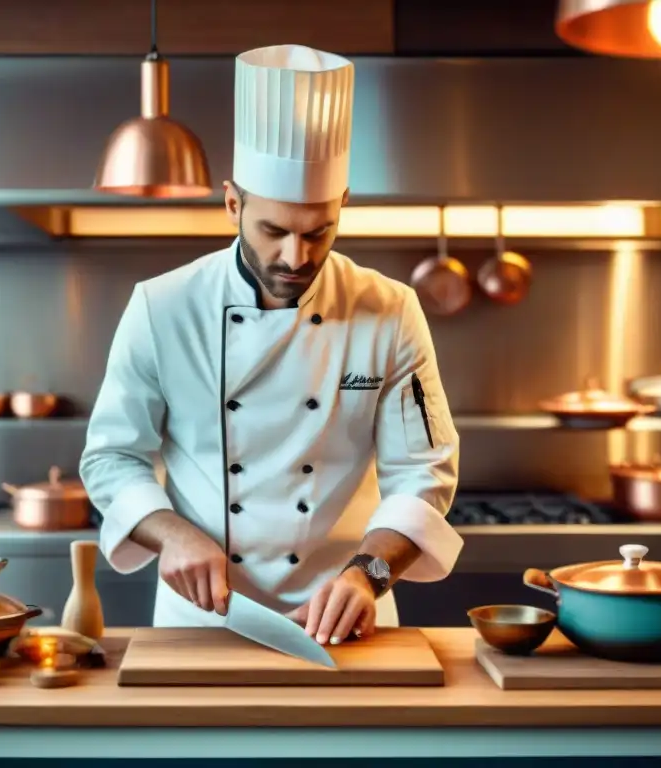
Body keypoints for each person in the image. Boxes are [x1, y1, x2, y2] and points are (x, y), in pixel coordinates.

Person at [80, 44, 462, 646]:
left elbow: (423, 472)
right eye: (273, 230)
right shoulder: (162, 307)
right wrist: (170, 532)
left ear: (342, 205)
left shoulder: (389, 310)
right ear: (233, 203)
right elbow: (111, 458)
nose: (296, 257)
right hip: (200, 620)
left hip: (349, 616)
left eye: (318, 232)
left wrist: (370, 576)